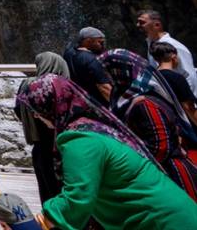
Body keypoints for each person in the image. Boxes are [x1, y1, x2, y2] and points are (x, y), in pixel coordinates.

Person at [17, 74, 197, 230]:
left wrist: (38, 222)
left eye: (36, 110)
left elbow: (77, 197)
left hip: (162, 221)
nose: (35, 116)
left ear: (50, 105)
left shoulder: (79, 140)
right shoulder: (90, 127)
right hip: (167, 214)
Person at [99, 48, 197, 200]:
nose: (106, 77)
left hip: (169, 174)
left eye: (108, 72)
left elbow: (161, 146)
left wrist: (131, 167)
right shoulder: (125, 98)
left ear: (120, 71)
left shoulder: (144, 103)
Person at [14, 52, 68, 203]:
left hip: (38, 148)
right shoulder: (58, 86)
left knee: (47, 197)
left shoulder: (25, 85)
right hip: (59, 150)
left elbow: (18, 110)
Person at [138, 9, 197, 97]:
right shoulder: (152, 44)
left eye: (142, 22)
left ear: (157, 25)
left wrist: (190, 103)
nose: (138, 25)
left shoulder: (174, 46)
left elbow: (189, 76)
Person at [152, 40, 197, 126]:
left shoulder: (154, 77)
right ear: (174, 57)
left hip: (166, 125)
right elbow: (189, 108)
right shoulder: (177, 78)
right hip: (184, 127)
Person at [62, 26, 111, 105]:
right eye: (100, 42)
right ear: (88, 41)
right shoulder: (91, 60)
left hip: (76, 101)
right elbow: (104, 88)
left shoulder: (68, 53)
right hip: (95, 104)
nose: (102, 46)